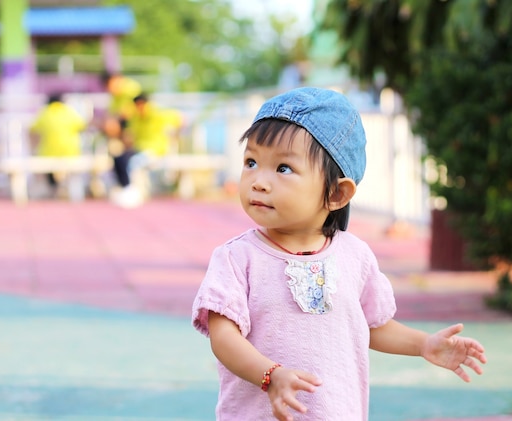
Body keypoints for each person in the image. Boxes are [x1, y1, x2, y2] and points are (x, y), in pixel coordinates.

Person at [191, 87, 487, 420]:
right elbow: (224, 337)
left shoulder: (354, 257)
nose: (258, 181)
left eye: (283, 168)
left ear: (336, 193)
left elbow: (371, 324)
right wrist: (270, 375)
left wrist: (423, 344)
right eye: (251, 162)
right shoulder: (237, 259)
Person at [109, 93, 183, 208]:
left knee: (134, 162)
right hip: (140, 148)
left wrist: (175, 137)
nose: (139, 109)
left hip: (155, 150)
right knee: (119, 158)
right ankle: (126, 188)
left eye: (141, 106)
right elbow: (128, 133)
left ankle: (136, 192)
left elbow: (179, 118)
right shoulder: (136, 117)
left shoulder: (158, 113)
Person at [29, 93, 87, 196]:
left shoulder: (45, 113)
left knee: (48, 168)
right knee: (70, 172)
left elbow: (32, 130)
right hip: (70, 152)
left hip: (48, 153)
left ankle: (54, 187)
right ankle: (66, 187)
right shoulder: (69, 111)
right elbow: (82, 126)